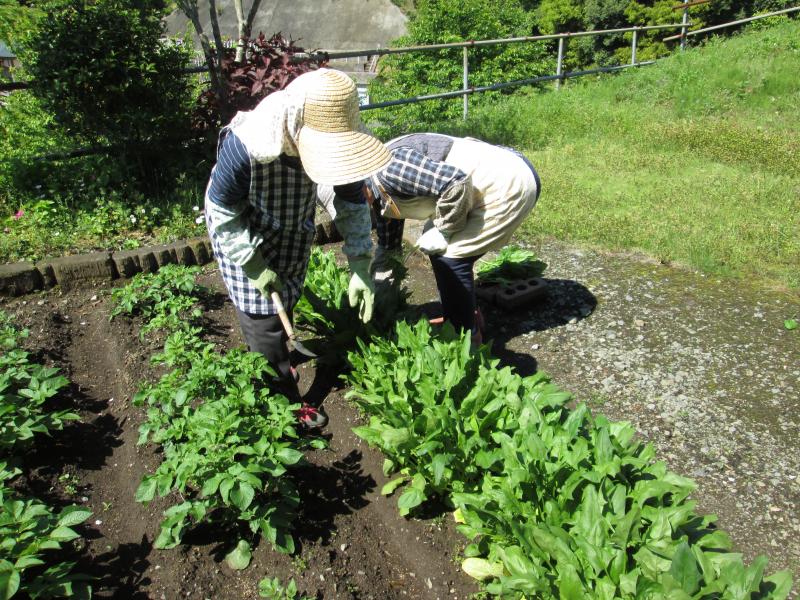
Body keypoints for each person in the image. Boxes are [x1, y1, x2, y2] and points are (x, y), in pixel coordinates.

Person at [204, 68, 390, 428]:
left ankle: (280, 349)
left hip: (290, 229)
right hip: (241, 232)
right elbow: (222, 211)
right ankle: (286, 405)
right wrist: (253, 264)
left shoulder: (338, 139)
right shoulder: (246, 146)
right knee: (263, 322)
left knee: (287, 294)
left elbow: (351, 204)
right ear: (295, 130)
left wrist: (360, 266)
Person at [366, 133, 541, 344]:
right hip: (478, 187)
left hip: (508, 183)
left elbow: (457, 182)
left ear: (361, 189)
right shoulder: (374, 190)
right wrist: (380, 293)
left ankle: (467, 338)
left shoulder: (389, 170)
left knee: (450, 258)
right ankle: (467, 314)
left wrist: (445, 230)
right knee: (438, 250)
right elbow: (389, 247)